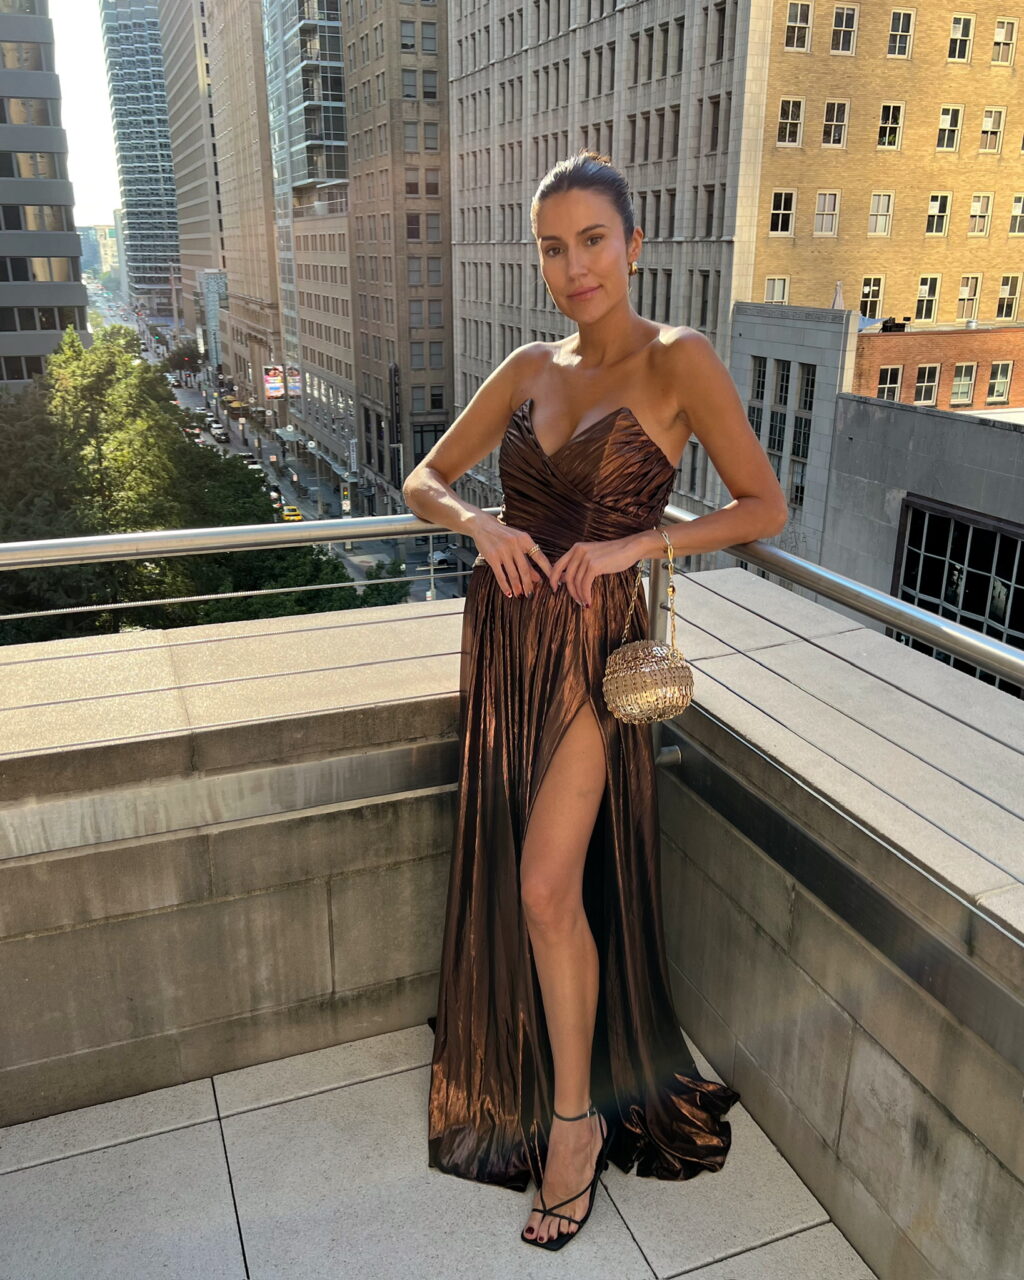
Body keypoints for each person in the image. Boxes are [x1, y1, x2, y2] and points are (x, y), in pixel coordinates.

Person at [402, 150, 788, 1251]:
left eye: (592, 241)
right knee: (526, 876)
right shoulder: (529, 364)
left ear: (633, 244)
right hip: (506, 638)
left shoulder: (678, 359)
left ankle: (574, 1126)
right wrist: (477, 523)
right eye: (553, 247)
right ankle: (539, 1065)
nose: (574, 266)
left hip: (592, 653)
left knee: (541, 885)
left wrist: (640, 543)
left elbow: (763, 505)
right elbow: (423, 478)